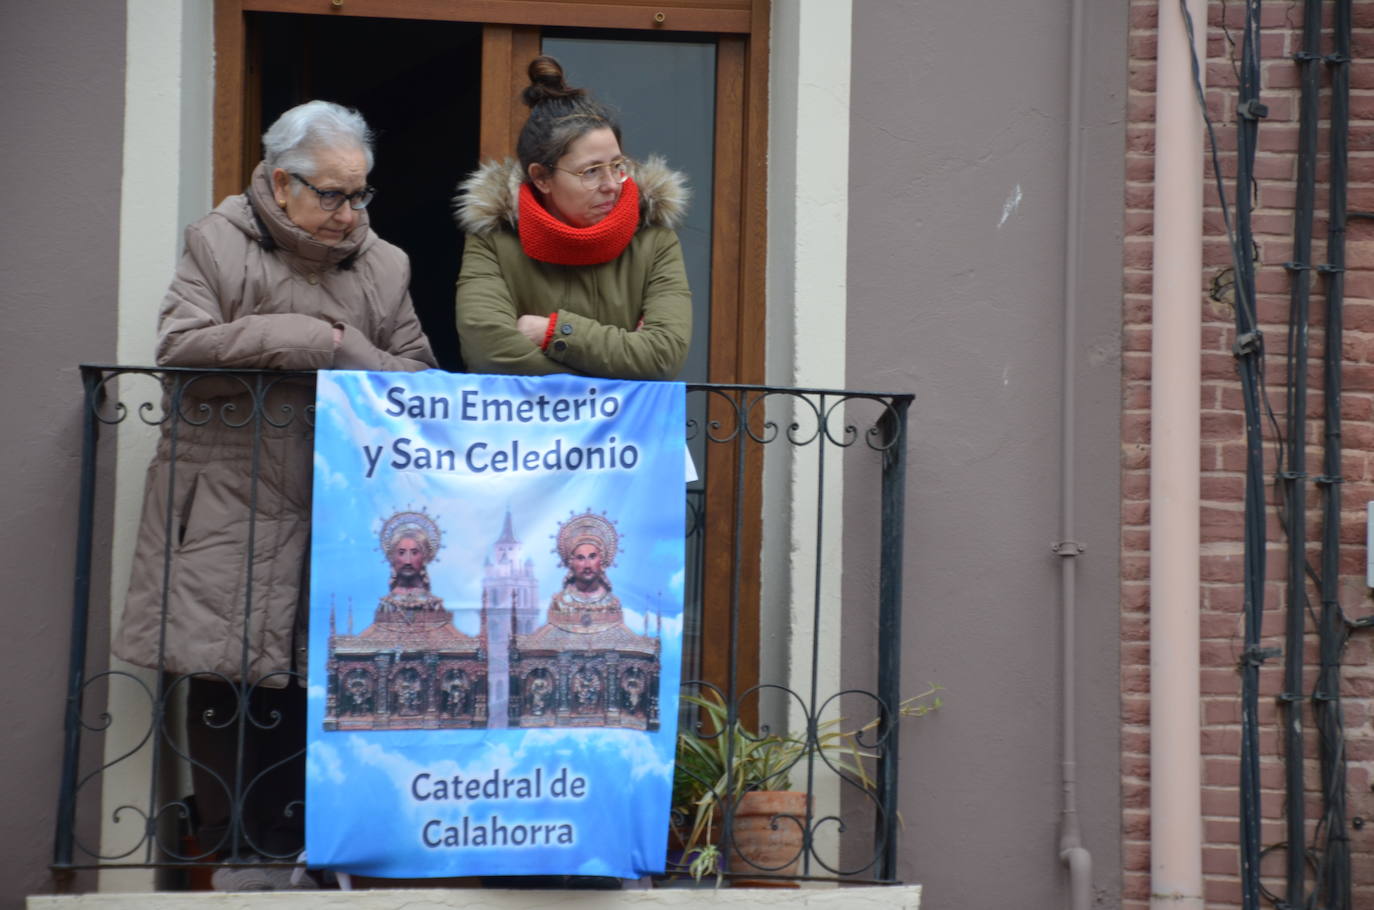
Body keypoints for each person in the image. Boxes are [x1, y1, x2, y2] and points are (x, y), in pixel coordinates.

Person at [113, 100, 436, 888]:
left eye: (360, 195)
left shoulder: (384, 264)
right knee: (224, 675)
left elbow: (421, 382)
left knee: (315, 676)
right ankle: (232, 852)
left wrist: (346, 349)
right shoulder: (216, 240)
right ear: (281, 183)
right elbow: (180, 348)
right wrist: (306, 340)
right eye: (331, 195)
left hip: (338, 506)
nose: (348, 213)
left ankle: (306, 849)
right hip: (227, 497)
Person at [452, 55, 692, 380]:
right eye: (591, 171)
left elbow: (663, 356)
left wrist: (553, 332)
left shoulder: (655, 240)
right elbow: (488, 352)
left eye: (618, 166)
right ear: (541, 178)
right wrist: (623, 366)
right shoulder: (494, 239)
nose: (611, 185)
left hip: (625, 432)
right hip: (521, 429)